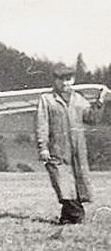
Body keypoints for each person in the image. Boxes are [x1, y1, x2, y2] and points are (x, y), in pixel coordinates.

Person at [35, 64, 107, 224]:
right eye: (61, 80)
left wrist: (100, 101)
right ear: (55, 81)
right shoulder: (46, 100)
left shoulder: (78, 99)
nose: (65, 84)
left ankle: (67, 218)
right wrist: (43, 147)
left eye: (68, 80)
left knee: (78, 183)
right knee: (62, 183)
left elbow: (92, 118)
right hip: (57, 149)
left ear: (73, 80)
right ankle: (76, 215)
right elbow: (42, 125)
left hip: (77, 149)